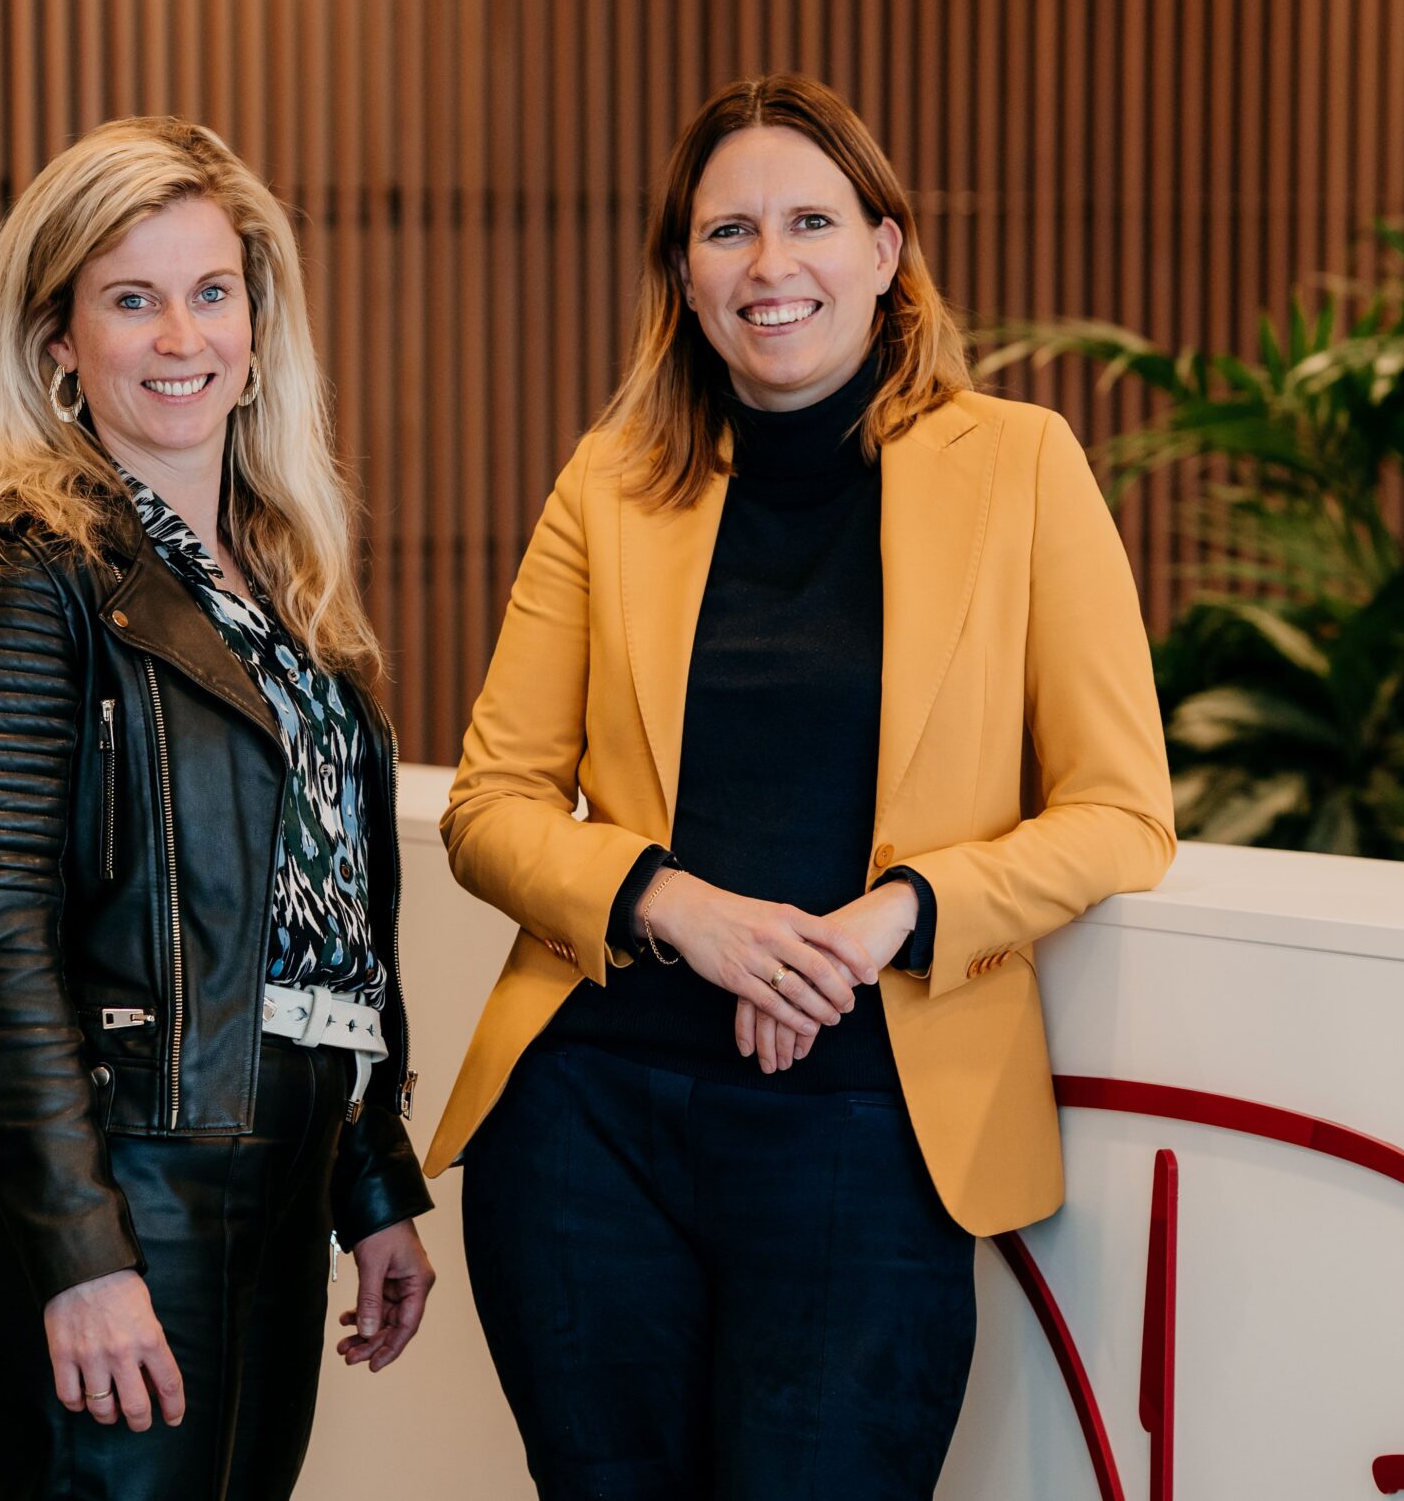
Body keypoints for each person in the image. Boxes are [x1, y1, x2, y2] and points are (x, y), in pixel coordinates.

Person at [425, 74, 1175, 1499]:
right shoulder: (609, 481)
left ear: (886, 251)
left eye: (812, 223)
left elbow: (1122, 812)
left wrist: (895, 914)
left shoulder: (1021, 466)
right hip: (591, 1127)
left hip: (869, 1128)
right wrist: (676, 906)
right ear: (683, 273)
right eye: (729, 232)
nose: (771, 265)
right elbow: (492, 804)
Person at [0, 115, 435, 1501]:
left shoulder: (283, 582)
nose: (179, 337)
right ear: (58, 339)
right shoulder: (23, 572)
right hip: (132, 1184)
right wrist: (79, 1254)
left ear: (258, 327)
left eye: (211, 293)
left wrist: (370, 1182)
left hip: (284, 1168)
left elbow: (315, 927)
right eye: (131, 299)